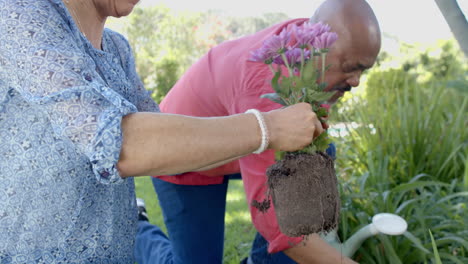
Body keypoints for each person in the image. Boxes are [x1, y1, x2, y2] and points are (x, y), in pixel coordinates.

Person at [0, 0, 325, 263]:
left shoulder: (117, 49)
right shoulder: (21, 12)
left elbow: (170, 150)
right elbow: (122, 144)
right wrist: (266, 127)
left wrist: (274, 152)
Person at [134, 0, 381, 263]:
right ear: (317, 46)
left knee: (319, 155)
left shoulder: (307, 44)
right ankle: (137, 228)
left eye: (363, 70)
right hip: (184, 153)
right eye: (349, 68)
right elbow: (273, 219)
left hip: (237, 144)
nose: (356, 81)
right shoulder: (265, 89)